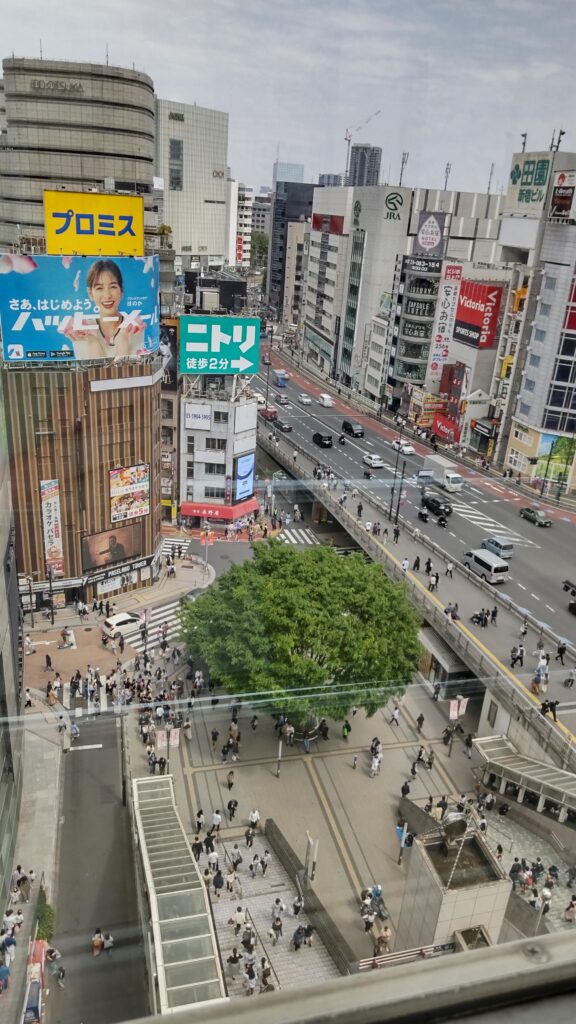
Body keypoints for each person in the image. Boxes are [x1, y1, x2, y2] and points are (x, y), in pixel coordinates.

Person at [59, 259, 147, 360]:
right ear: (90, 293)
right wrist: (93, 340)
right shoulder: (80, 330)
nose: (107, 295)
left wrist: (123, 337)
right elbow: (92, 373)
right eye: (99, 288)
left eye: (113, 287)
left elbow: (129, 372)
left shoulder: (134, 328)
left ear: (121, 290)